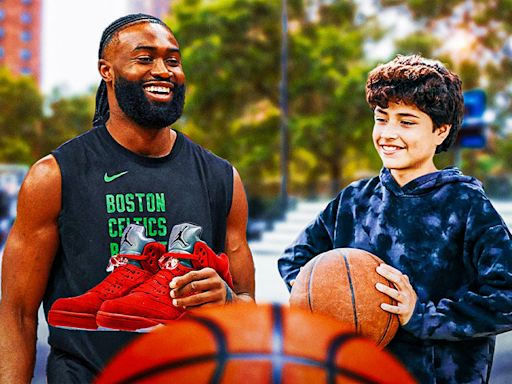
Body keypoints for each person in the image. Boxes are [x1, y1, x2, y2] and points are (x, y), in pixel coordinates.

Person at [0, 13, 255, 383]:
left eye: (173, 60)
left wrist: (228, 300)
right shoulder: (54, 175)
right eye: (144, 58)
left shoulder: (221, 178)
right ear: (107, 70)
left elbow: (248, 309)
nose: (164, 70)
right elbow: (18, 312)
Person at [278, 54, 512, 383]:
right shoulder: (354, 199)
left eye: (406, 121)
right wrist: (328, 299)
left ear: (440, 132)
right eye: (382, 118)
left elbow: (507, 296)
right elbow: (295, 259)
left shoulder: (466, 204)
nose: (389, 133)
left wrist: (422, 316)